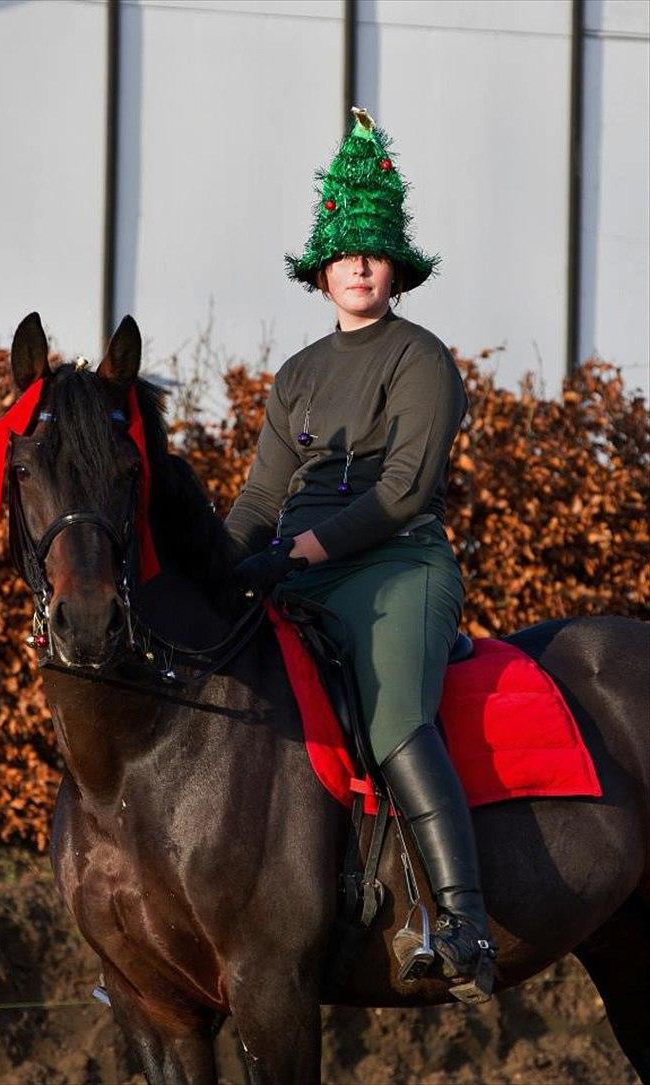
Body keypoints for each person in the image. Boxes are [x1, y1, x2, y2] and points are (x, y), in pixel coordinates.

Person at [224, 108, 495, 1000]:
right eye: (346, 252)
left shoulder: (422, 359)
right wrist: (216, 569)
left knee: (390, 718)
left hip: (397, 566)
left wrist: (303, 546)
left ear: (394, 267)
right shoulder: (295, 373)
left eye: (374, 251)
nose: (360, 265)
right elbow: (260, 498)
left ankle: (462, 921)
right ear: (323, 268)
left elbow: (407, 487)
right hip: (297, 571)